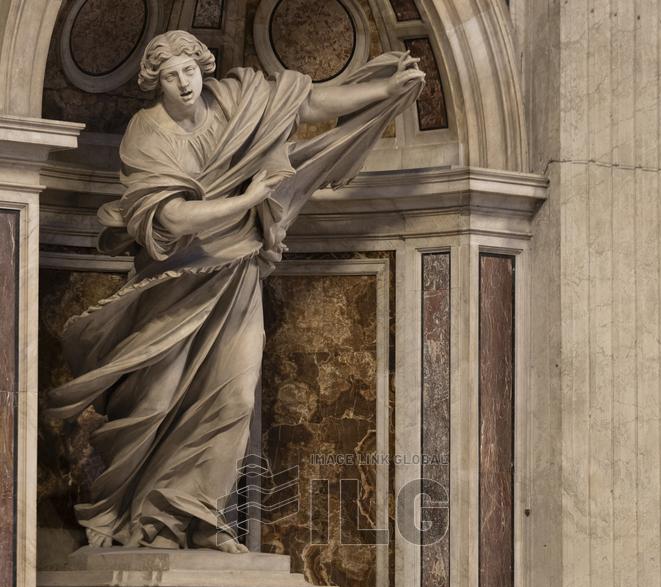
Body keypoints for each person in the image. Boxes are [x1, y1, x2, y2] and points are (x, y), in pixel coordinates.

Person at [47, 30, 423, 552]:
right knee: (155, 403)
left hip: (235, 276)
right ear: (155, 83)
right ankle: (150, 520)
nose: (184, 83)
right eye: (172, 75)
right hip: (175, 283)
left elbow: (307, 99)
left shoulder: (235, 100)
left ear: (204, 67)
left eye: (191, 70)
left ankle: (199, 516)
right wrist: (246, 200)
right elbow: (171, 217)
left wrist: (384, 92)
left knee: (235, 399)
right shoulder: (145, 133)